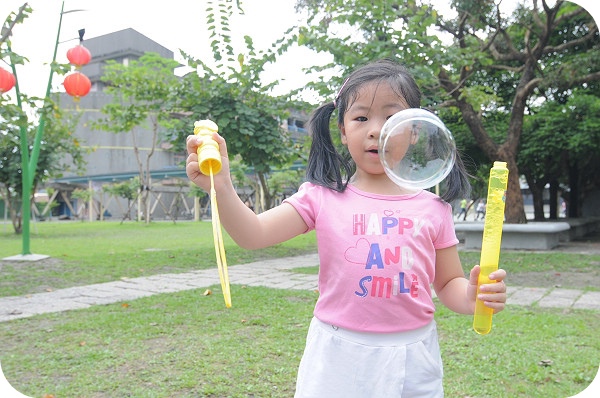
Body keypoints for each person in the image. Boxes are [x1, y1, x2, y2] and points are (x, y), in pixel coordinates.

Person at [186, 59, 507, 397]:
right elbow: (253, 234)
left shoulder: (434, 210)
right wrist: (221, 185)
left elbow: (447, 282)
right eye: (361, 117)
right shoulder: (321, 198)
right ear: (342, 130)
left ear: (415, 130)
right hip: (338, 354)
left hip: (414, 356)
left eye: (392, 117)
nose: (375, 129)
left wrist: (472, 296)